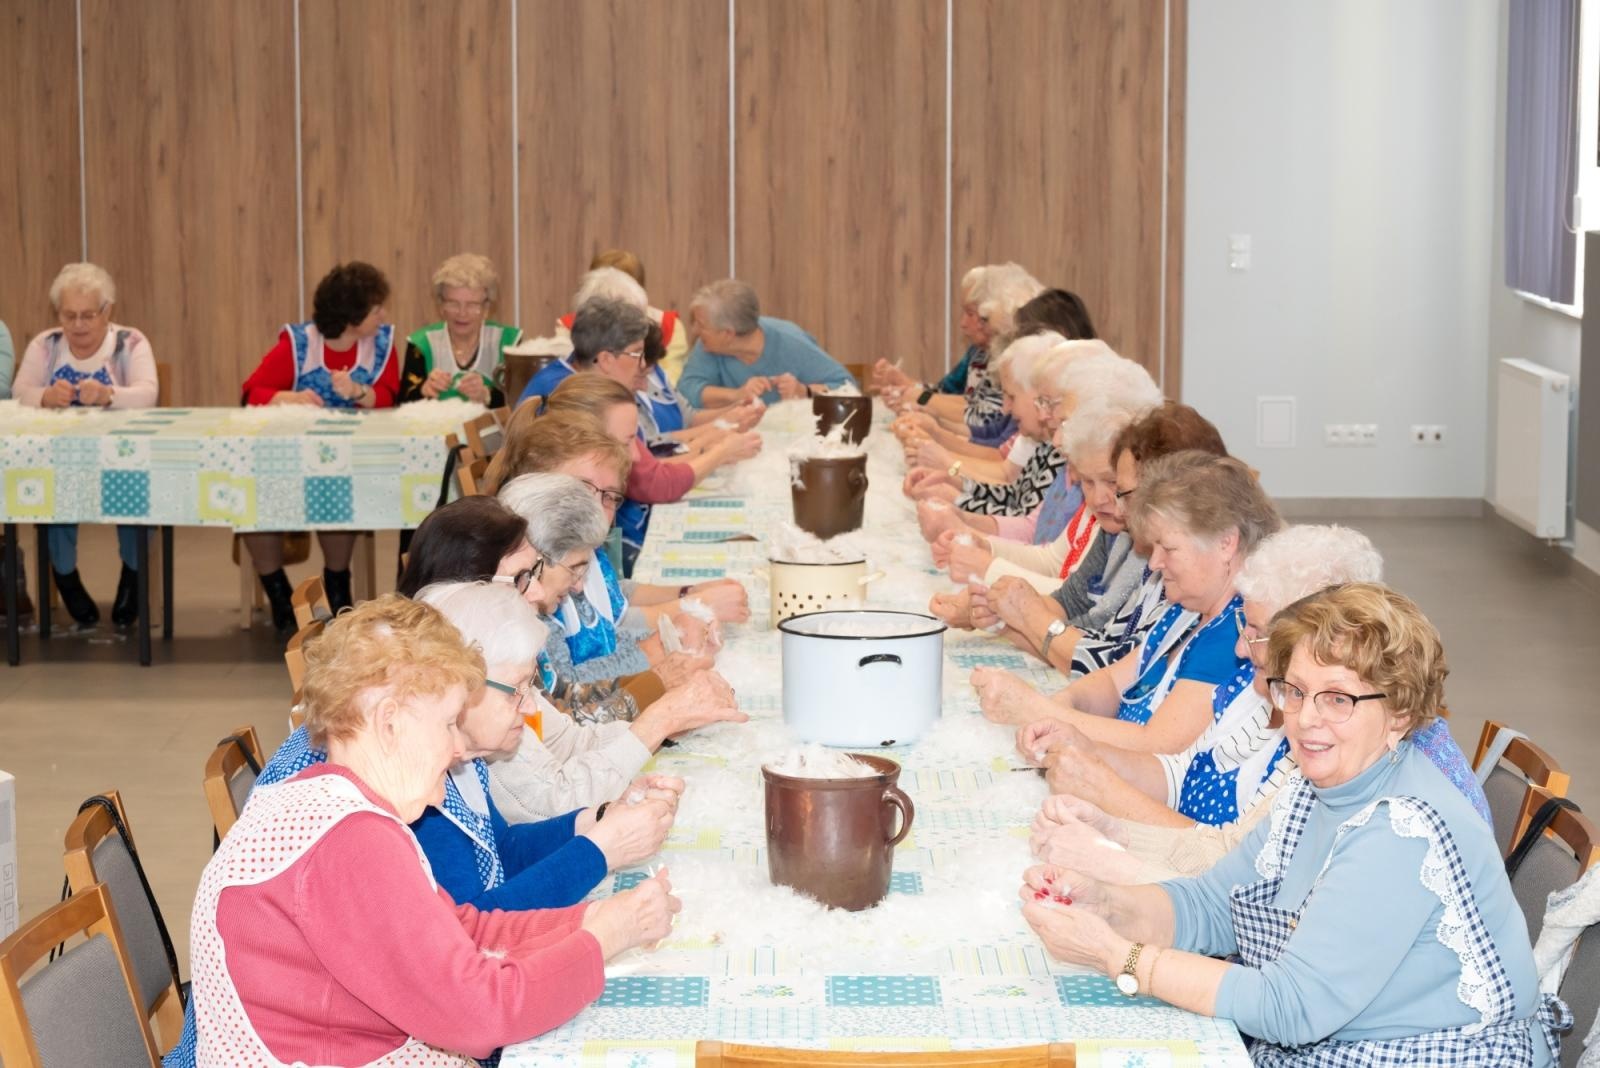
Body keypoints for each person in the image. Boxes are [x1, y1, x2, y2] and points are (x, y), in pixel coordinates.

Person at [1020, 584, 1568, 1064]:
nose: (1306, 718)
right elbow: (1213, 904)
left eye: (1338, 699)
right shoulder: (1321, 786)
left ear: (1399, 712)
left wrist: (1120, 957)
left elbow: (1292, 1007)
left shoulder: (1401, 829)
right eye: (1296, 691)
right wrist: (1107, 905)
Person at [183, 595, 680, 1066]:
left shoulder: (325, 799)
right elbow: (481, 1013)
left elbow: (459, 930)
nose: (459, 750)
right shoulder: (350, 841)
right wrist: (609, 935)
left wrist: (589, 918)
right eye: (446, 725)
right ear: (390, 722)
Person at [1027, 526, 1488, 883]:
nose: (1241, 649)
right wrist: (1096, 785)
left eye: (1258, 634)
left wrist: (1115, 859)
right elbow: (1230, 848)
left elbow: (1257, 908)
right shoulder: (1279, 697)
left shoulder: (1345, 750)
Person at [397, 488, 747, 821]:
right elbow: (548, 803)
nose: (535, 591)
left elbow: (569, 740)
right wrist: (660, 719)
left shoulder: (497, 651)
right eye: (520, 577)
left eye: (534, 573)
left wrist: (668, 725)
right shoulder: (470, 682)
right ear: (469, 587)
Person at [977, 453, 1282, 765]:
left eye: (1169, 548)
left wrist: (1039, 711)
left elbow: (1158, 745)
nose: (1154, 562)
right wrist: (1064, 703)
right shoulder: (1189, 609)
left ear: (1226, 543)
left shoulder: (1237, 632)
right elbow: (1111, 683)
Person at [486, 407, 734, 688]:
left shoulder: (571, 554)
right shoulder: (527, 584)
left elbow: (611, 624)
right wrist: (660, 644)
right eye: (582, 488)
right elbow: (565, 692)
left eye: (610, 496)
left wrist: (677, 624)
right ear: (540, 481)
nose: (592, 505)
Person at [238, 261, 399, 631]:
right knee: (253, 498)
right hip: (287, 460)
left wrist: (360, 392)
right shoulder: (298, 343)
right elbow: (252, 391)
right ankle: (278, 592)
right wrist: (284, 397)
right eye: (376, 309)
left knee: (338, 495)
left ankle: (338, 587)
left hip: (346, 463)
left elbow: (391, 395)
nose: (383, 315)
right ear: (352, 315)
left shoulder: (381, 344)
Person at [14, 263, 160, 627]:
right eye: (69, 316)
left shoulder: (130, 343)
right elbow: (19, 393)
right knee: (53, 497)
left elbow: (148, 393)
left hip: (122, 459)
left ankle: (133, 576)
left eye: (88, 315)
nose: (78, 325)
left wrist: (110, 394)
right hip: (59, 461)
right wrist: (45, 396)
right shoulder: (45, 346)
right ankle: (66, 578)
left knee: (133, 497)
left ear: (107, 311)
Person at [545, 370, 758, 573]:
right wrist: (718, 451)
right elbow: (658, 482)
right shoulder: (560, 530)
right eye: (627, 441)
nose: (637, 456)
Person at [676, 278, 854, 408]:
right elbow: (685, 391)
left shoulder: (791, 343)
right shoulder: (709, 346)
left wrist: (804, 391)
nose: (695, 332)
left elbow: (848, 388)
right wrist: (737, 395)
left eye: (701, 325)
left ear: (727, 334)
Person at [399, 252, 519, 407]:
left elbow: (523, 404)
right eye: (453, 303)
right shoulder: (422, 343)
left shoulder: (509, 343)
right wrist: (423, 391)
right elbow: (401, 405)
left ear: (486, 308)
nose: (462, 313)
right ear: (441, 305)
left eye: (472, 305)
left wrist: (487, 395)